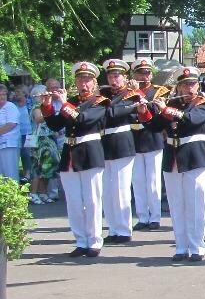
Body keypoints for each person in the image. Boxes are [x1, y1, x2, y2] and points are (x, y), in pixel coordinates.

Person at [139, 67, 205, 262]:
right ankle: (181, 246)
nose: (189, 88)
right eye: (185, 85)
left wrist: (166, 109)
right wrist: (144, 111)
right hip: (172, 158)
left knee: (195, 205)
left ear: (198, 85)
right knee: (176, 205)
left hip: (196, 158)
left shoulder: (204, 104)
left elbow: (191, 120)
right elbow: (154, 127)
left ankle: (197, 246)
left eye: (192, 84)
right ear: (179, 87)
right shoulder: (174, 103)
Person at [42, 63, 107, 257]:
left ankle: (95, 240)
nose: (83, 84)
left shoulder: (100, 102)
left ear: (94, 82)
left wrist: (63, 104)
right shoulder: (71, 100)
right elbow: (55, 125)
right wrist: (47, 105)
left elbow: (83, 119)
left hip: (90, 152)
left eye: (87, 80)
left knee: (92, 200)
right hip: (69, 154)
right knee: (74, 202)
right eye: (80, 80)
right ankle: (80, 240)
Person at [98, 59, 139, 244]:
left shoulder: (130, 96)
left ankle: (124, 229)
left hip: (122, 142)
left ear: (124, 77)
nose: (114, 79)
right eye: (110, 76)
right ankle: (113, 228)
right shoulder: (102, 94)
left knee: (121, 189)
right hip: (103, 143)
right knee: (107, 190)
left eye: (117, 75)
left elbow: (113, 114)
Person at [129, 59, 170, 230]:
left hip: (152, 136)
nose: (143, 76)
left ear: (151, 74)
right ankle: (142, 216)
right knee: (137, 181)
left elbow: (153, 110)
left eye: (146, 73)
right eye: (140, 73)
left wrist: (137, 92)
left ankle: (155, 216)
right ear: (134, 75)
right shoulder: (128, 92)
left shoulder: (160, 91)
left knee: (153, 180)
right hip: (134, 137)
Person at [28, 89, 59, 204]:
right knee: (37, 167)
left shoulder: (47, 106)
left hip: (49, 139)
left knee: (48, 168)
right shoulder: (37, 107)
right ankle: (33, 193)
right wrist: (49, 114)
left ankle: (43, 192)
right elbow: (38, 119)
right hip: (40, 141)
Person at [0, 84, 21, 181]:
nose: (2, 97)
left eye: (4, 94)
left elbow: (11, 124)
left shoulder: (10, 106)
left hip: (8, 144)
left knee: (10, 173)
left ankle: (13, 195)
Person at [13, 87, 32, 183]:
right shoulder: (13, 105)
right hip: (17, 134)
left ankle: (28, 174)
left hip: (30, 133)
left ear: (24, 94)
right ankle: (23, 174)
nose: (16, 94)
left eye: (18, 91)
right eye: (15, 92)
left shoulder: (30, 104)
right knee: (19, 154)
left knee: (28, 154)